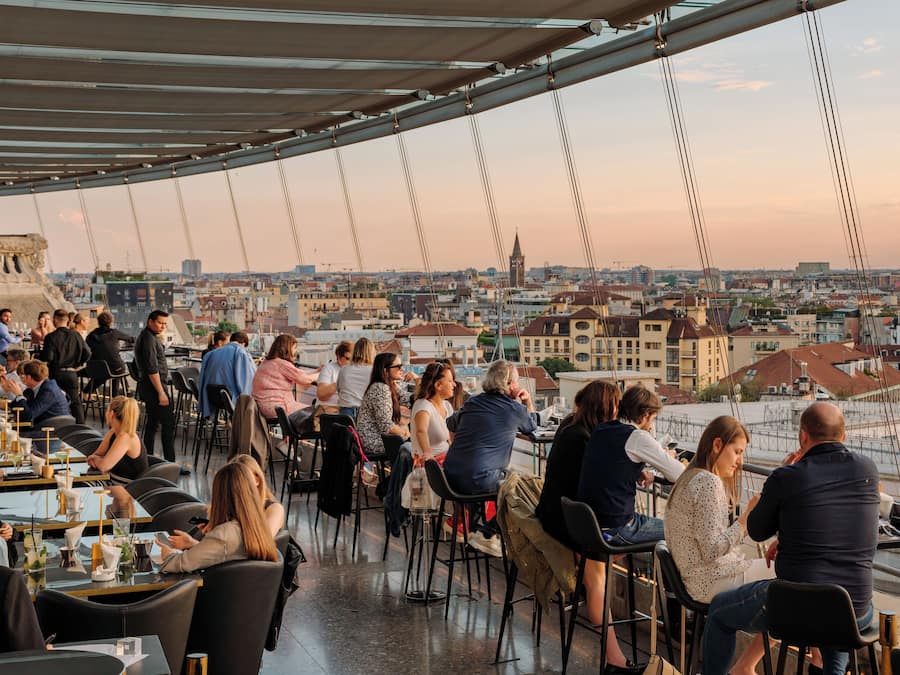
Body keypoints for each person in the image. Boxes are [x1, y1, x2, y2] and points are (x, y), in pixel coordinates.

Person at [702, 403, 879, 675]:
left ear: (803, 437)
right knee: (834, 618)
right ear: (843, 436)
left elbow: (758, 530)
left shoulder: (787, 477)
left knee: (718, 612)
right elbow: (833, 523)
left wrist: (780, 475)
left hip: (796, 610)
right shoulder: (867, 469)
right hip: (856, 611)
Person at [533, 381, 633, 673]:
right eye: (616, 406)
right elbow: (595, 488)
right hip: (570, 522)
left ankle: (588, 587)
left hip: (555, 514)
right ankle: (615, 659)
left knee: (606, 557)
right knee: (601, 572)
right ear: (607, 408)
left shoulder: (569, 427)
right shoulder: (585, 440)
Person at [665, 416, 773, 675]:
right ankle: (747, 665)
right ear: (716, 445)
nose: (739, 461)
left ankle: (746, 666)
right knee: (796, 580)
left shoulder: (690, 476)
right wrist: (745, 520)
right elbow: (712, 549)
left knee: (787, 582)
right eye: (737, 452)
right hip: (710, 580)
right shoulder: (708, 482)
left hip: (695, 578)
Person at [443, 359, 537, 557]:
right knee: (523, 487)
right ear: (509, 384)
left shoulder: (473, 401)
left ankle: (470, 527)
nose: (518, 386)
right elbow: (531, 426)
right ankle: (488, 533)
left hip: (449, 477)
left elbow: (451, 424)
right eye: (517, 382)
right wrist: (527, 401)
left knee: (498, 476)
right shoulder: (514, 409)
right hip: (478, 481)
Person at [577, 385, 684, 547]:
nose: (651, 426)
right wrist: (669, 457)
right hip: (618, 527)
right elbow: (679, 474)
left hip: (590, 523)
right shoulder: (637, 436)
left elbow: (612, 464)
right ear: (645, 414)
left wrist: (638, 470)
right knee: (682, 531)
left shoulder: (601, 429)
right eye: (652, 419)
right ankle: (669, 572)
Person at [157, 461, 278, 573]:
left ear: (220, 496)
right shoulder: (259, 528)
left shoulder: (225, 533)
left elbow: (178, 564)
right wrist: (194, 545)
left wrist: (168, 554)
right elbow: (228, 555)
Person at [168, 455, 285, 552]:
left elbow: (261, 544)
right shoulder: (231, 508)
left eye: (244, 479)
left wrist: (220, 534)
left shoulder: (274, 509)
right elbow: (223, 552)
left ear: (257, 480)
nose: (239, 485)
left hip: (255, 574)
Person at [134, 310, 178, 466]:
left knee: (152, 423)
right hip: (154, 388)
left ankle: (148, 459)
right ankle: (170, 463)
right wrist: (161, 393)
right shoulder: (148, 339)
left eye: (165, 324)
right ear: (150, 321)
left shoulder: (148, 337)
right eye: (160, 323)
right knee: (168, 423)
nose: (163, 326)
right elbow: (152, 368)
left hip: (149, 386)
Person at [252, 333, 319, 429]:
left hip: (263, 407)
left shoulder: (267, 362)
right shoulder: (281, 364)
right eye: (294, 348)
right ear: (287, 348)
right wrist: (321, 374)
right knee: (317, 413)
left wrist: (316, 371)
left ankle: (290, 437)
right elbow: (303, 379)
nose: (295, 351)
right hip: (279, 409)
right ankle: (299, 437)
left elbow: (298, 373)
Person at [40, 308, 90, 424]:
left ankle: (55, 424)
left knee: (52, 400)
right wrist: (79, 364)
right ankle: (81, 428)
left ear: (55, 320)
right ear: (67, 321)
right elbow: (87, 352)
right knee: (75, 402)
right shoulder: (76, 335)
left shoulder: (51, 337)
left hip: (56, 373)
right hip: (71, 373)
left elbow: (48, 357)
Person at [356, 352, 409, 456]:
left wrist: (417, 380)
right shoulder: (380, 388)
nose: (402, 369)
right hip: (373, 441)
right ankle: (400, 472)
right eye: (398, 366)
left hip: (374, 438)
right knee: (413, 447)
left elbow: (406, 398)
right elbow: (386, 425)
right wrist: (407, 434)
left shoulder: (389, 385)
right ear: (385, 371)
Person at [86, 396, 148, 480]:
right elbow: (97, 455)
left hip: (128, 488)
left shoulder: (126, 437)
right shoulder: (113, 432)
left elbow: (103, 466)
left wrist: (97, 460)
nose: (105, 414)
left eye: (107, 410)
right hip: (112, 481)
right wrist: (97, 459)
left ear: (111, 413)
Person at [197, 331, 256, 419]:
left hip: (211, 398)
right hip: (229, 401)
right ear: (243, 343)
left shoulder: (210, 354)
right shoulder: (240, 352)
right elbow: (248, 382)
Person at [410, 361, 456, 463]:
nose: (454, 384)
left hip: (447, 459)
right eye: (450, 381)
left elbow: (451, 437)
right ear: (438, 385)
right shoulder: (423, 406)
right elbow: (421, 431)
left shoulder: (447, 406)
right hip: (432, 465)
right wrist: (427, 452)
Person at [1, 359, 70, 426]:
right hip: (41, 426)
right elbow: (23, 410)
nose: (21, 380)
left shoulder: (48, 390)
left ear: (29, 377)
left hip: (51, 431)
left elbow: (29, 416)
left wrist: (19, 395)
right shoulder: (32, 390)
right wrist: (10, 391)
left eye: (22, 376)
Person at [85, 311, 134, 396]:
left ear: (98, 322)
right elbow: (131, 339)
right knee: (117, 368)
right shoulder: (114, 333)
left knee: (103, 373)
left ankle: (86, 391)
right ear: (111, 322)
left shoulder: (90, 336)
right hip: (116, 368)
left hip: (99, 369)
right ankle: (115, 396)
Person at [336, 337, 375, 418]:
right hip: (365, 412)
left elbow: (339, 390)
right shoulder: (374, 371)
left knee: (347, 431)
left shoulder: (344, 369)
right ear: (372, 353)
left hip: (345, 413)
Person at [316, 341, 352, 415]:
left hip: (348, 409)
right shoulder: (329, 368)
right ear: (338, 357)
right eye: (348, 358)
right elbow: (321, 395)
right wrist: (340, 381)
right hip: (329, 409)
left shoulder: (355, 370)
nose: (351, 362)